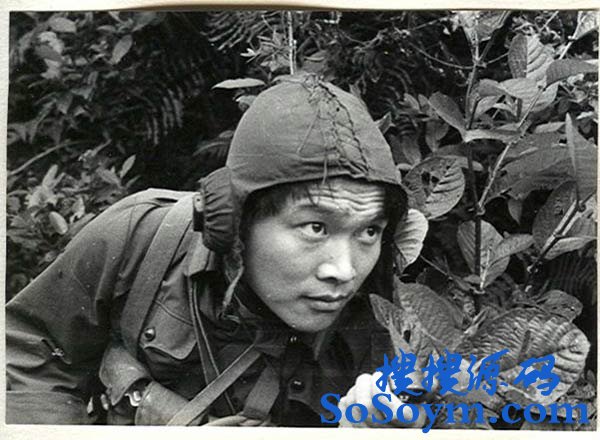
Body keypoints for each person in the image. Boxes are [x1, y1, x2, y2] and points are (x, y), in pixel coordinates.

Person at [6, 74, 415, 426]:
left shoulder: (387, 320)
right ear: (236, 221)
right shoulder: (142, 238)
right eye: (316, 227)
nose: (344, 271)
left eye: (369, 231)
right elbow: (29, 348)